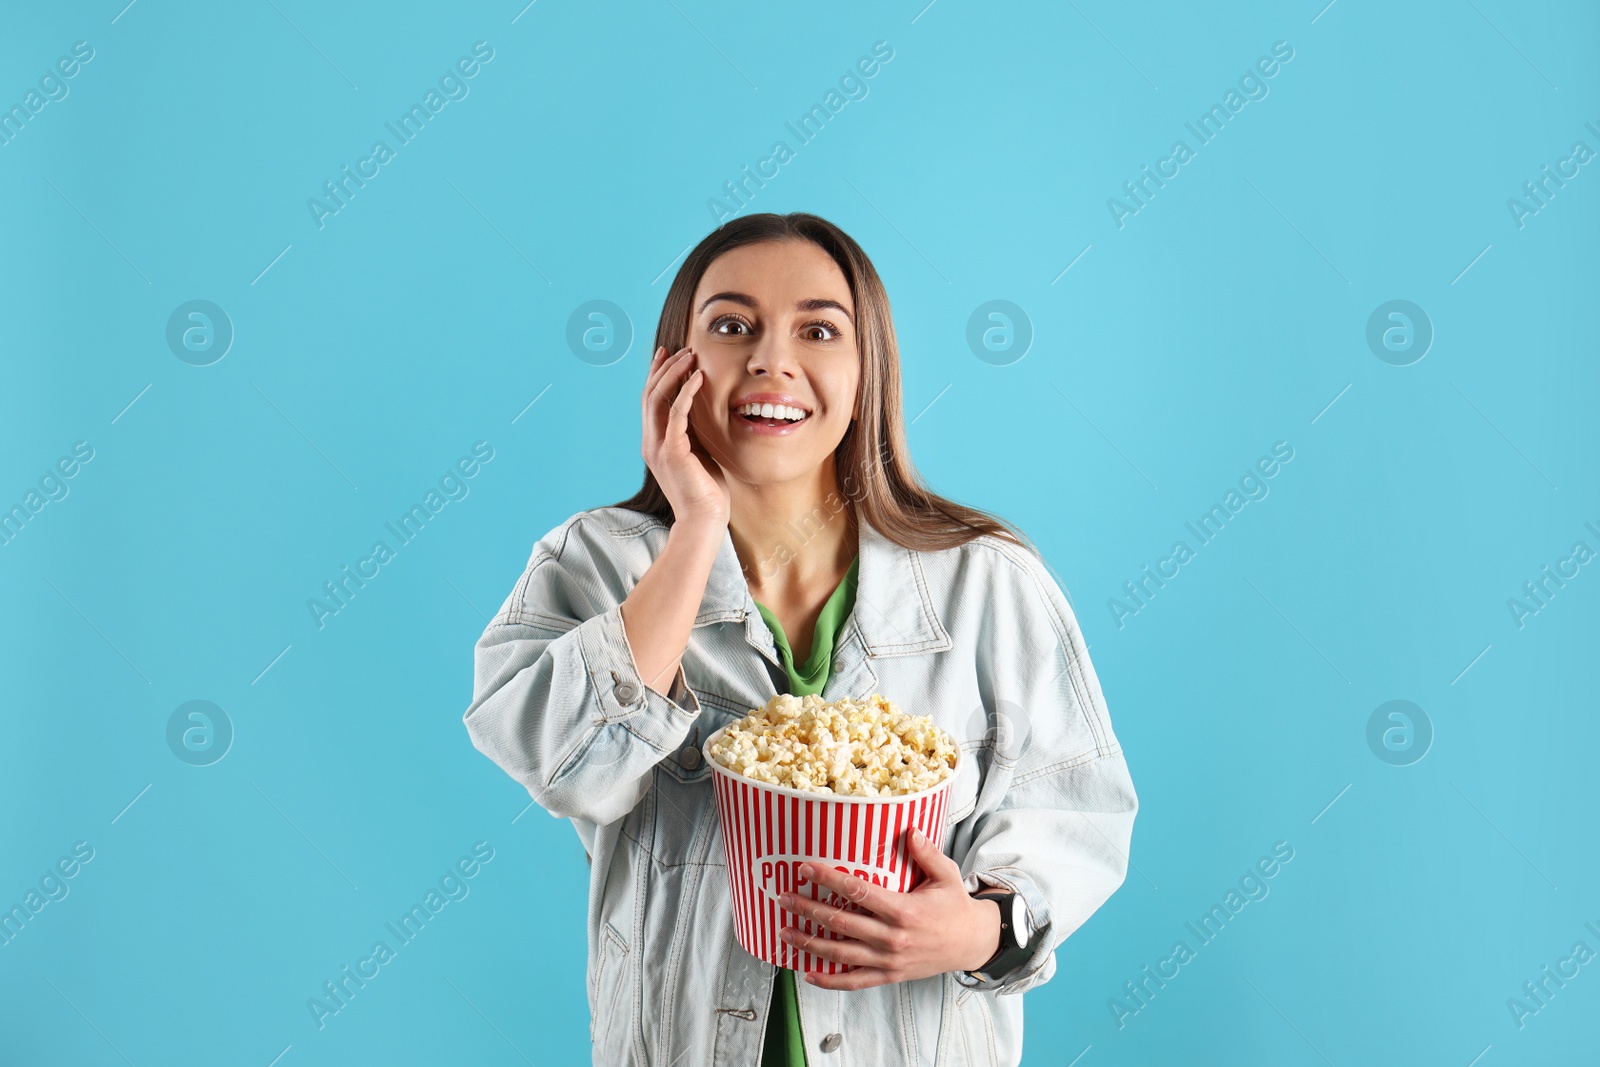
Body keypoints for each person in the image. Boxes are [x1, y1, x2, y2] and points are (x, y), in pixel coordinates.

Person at [462, 212, 1138, 1066]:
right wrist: (696, 523)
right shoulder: (593, 562)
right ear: (673, 365)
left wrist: (976, 928)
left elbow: (1076, 811)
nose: (770, 360)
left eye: (818, 330)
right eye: (731, 325)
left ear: (870, 372)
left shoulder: (987, 581)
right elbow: (564, 764)